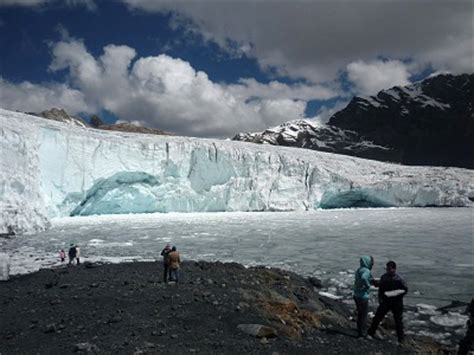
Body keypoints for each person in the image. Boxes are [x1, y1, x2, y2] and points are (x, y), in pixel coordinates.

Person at [368, 260, 408, 343]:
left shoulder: (399, 279)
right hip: (386, 302)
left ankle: (401, 339)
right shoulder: (384, 277)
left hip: (397, 303)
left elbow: (405, 290)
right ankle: (370, 333)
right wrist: (380, 298)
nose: (388, 270)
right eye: (387, 269)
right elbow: (381, 289)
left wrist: (396, 294)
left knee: (398, 321)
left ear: (394, 269)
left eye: (390, 269)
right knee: (377, 318)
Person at [353, 255, 375, 338]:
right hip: (363, 296)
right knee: (363, 316)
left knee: (360, 315)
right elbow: (364, 278)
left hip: (356, 294)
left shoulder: (359, 269)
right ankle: (363, 334)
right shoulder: (366, 271)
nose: (372, 265)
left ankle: (360, 332)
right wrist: (368, 286)